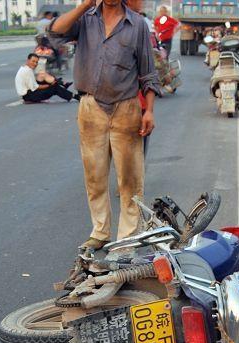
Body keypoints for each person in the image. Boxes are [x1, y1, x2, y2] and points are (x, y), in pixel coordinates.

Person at [50, 0, 161, 250]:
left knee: (130, 179)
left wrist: (149, 111)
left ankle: (127, 238)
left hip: (126, 107)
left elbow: (148, 72)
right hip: (91, 107)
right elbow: (55, 32)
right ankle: (100, 232)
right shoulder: (85, 19)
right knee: (95, 176)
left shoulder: (137, 24)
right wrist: (84, 5)